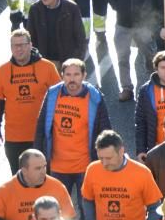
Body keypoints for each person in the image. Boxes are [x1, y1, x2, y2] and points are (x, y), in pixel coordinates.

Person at [33, 58, 111, 209]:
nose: (72, 79)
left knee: (87, 212)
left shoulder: (95, 97)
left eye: (76, 74)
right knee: (58, 213)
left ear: (84, 75)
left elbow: (105, 131)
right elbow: (41, 126)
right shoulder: (52, 94)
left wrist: (107, 161)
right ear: (62, 76)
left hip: (85, 167)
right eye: (68, 74)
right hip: (57, 167)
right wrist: (37, 155)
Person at [0, 30, 62, 174]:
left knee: (43, 177)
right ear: (11, 48)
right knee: (19, 179)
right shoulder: (1, 72)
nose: (19, 49)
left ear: (30, 45)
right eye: (15, 45)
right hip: (14, 137)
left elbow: (59, 99)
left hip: (42, 135)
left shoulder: (47, 67)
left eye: (22, 45)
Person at [106, 0, 156, 102]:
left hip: (143, 24)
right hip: (123, 24)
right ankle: (126, 88)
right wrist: (119, 8)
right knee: (122, 58)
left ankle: (153, 85)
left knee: (150, 55)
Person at [25, 0, 87, 66]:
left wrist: (76, 62)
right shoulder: (35, 9)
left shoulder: (71, 9)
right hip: (43, 63)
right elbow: (30, 38)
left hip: (66, 63)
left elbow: (80, 38)